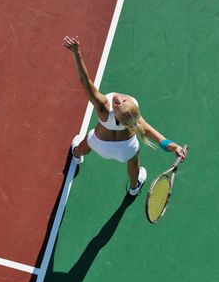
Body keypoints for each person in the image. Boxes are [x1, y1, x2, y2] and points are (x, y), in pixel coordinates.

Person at [63, 36, 188, 196]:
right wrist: (175, 147)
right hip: (126, 150)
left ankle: (76, 154)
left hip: (99, 144)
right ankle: (134, 187)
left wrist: (77, 52)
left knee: (85, 142)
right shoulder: (132, 117)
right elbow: (158, 138)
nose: (118, 99)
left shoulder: (103, 107)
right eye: (121, 101)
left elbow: (84, 81)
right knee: (134, 160)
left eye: (119, 103)